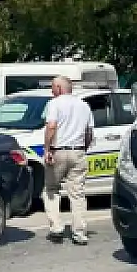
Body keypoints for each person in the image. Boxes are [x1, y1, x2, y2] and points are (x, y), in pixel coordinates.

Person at [42, 76, 94, 246]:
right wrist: (83, 149)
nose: (51, 91)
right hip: (78, 152)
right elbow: (89, 133)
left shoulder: (55, 104)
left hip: (58, 151)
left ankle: (56, 228)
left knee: (51, 189)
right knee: (77, 194)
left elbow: (51, 126)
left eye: (52, 87)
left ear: (59, 87)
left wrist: (48, 149)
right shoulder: (84, 106)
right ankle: (79, 232)